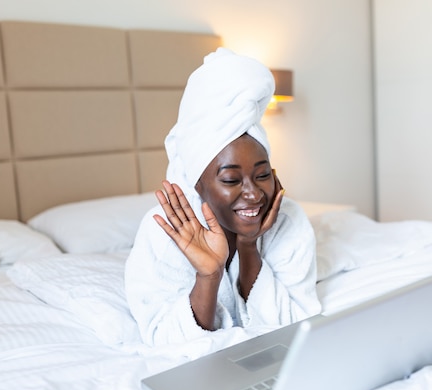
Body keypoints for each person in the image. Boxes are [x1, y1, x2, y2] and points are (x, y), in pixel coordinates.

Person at [124, 48, 321, 347]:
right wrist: (209, 275)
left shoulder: (288, 220)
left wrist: (248, 246)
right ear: (197, 185)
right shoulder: (165, 231)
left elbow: (294, 324)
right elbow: (164, 340)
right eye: (231, 179)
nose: (254, 193)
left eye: (263, 174)